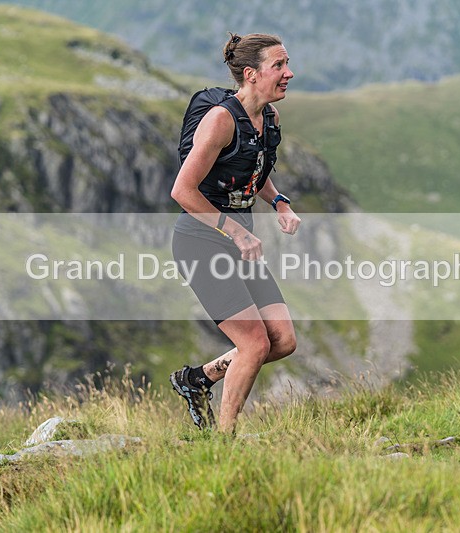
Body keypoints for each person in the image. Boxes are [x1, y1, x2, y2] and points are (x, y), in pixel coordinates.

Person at [169, 32, 300, 434]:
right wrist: (235, 231)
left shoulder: (269, 119)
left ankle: (198, 379)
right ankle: (224, 443)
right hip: (201, 242)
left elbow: (252, 169)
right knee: (254, 344)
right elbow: (182, 190)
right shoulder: (220, 120)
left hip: (240, 243)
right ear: (251, 74)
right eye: (278, 65)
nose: (288, 73)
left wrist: (279, 202)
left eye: (286, 64)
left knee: (282, 340)